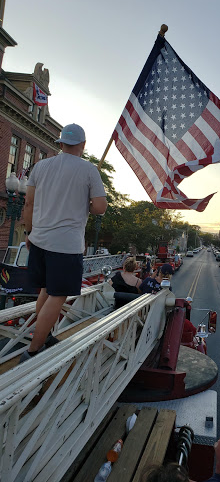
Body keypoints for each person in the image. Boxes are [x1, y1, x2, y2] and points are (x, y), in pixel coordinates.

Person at [21, 123, 107, 362]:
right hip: (66, 246)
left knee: (46, 290)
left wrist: (29, 233)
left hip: (38, 239)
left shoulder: (40, 166)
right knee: (58, 296)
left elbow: (29, 204)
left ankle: (44, 335)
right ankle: (33, 352)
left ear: (61, 143)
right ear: (83, 145)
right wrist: (84, 203)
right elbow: (100, 208)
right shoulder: (89, 170)